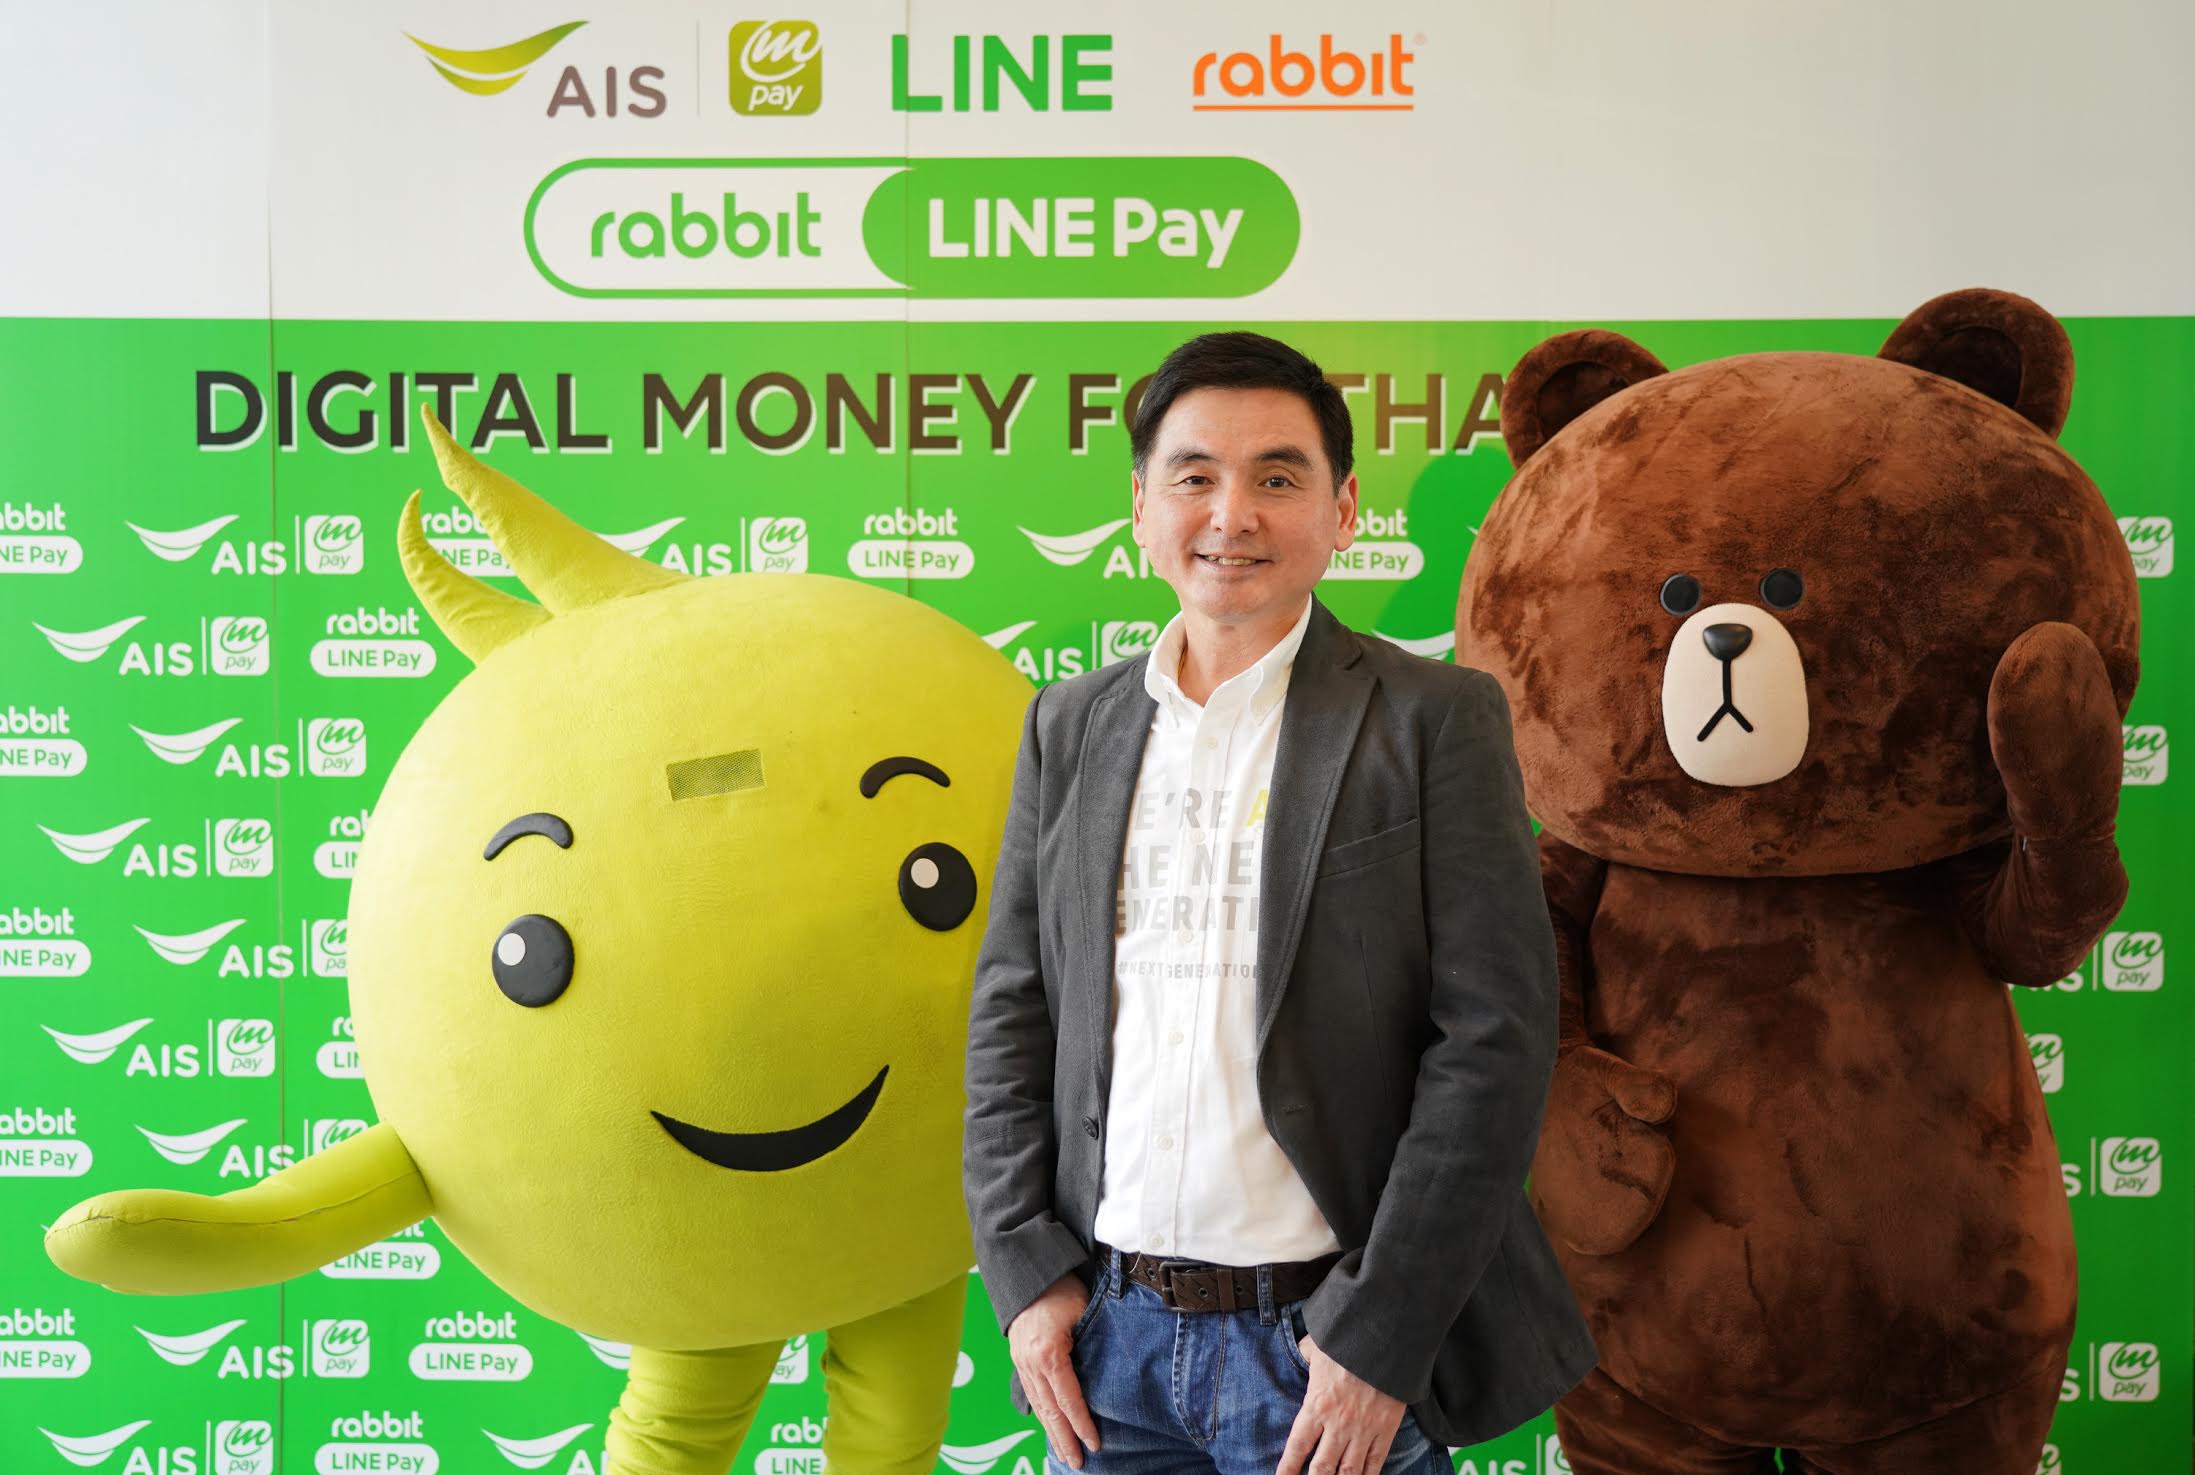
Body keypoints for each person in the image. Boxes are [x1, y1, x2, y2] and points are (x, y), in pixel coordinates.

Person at [963, 331, 1596, 1475]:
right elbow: (1014, 1009)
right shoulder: (1069, 724)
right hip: (1104, 1346)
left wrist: (1378, 1336)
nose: (1231, 513)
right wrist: (1023, 1274)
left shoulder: (1432, 719)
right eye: (1193, 475)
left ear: (1341, 510)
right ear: (1141, 506)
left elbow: (1492, 1040)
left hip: (1323, 1348)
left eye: (1275, 476)